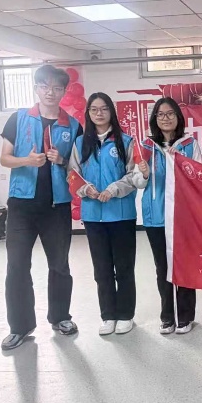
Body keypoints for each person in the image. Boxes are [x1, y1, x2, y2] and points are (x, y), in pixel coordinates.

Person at [0, 65, 82, 351]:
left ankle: (61, 317)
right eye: (45, 86)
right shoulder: (19, 118)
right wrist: (27, 160)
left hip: (56, 208)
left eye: (57, 88)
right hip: (21, 206)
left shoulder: (72, 125)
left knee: (59, 265)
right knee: (17, 266)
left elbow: (78, 167)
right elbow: (5, 158)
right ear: (36, 88)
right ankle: (19, 327)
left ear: (64, 91)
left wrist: (61, 160)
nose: (50, 92)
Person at [68, 93, 139, 336]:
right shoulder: (80, 143)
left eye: (104, 108)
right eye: (94, 109)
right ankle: (108, 315)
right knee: (102, 270)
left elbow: (133, 175)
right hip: (93, 217)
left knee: (124, 268)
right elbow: (72, 174)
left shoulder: (126, 141)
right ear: (88, 113)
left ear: (112, 112)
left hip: (121, 215)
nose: (99, 113)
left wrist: (113, 189)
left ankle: (126, 315)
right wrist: (85, 188)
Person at [135, 97, 202, 335]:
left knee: (184, 266)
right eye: (161, 114)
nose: (166, 118)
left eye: (170, 113)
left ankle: (186, 316)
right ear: (155, 119)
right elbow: (137, 181)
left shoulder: (189, 144)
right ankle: (167, 317)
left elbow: (198, 177)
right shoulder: (145, 146)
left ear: (178, 117)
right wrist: (143, 173)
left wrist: (181, 163)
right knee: (162, 267)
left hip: (182, 216)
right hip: (155, 216)